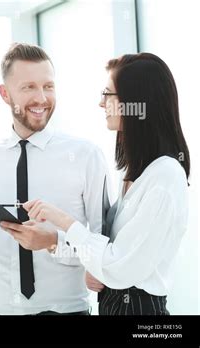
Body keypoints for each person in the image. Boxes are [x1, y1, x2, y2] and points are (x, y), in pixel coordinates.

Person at [19, 53, 190, 315]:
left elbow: (118, 266)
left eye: (108, 94)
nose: (101, 103)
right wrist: (55, 241)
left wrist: (62, 220)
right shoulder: (138, 174)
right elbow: (111, 254)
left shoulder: (165, 176)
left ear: (134, 103)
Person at [0, 43, 109, 315]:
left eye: (48, 86)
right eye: (28, 87)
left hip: (65, 311)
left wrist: (54, 242)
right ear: (5, 94)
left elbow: (101, 249)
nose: (41, 98)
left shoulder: (85, 155)